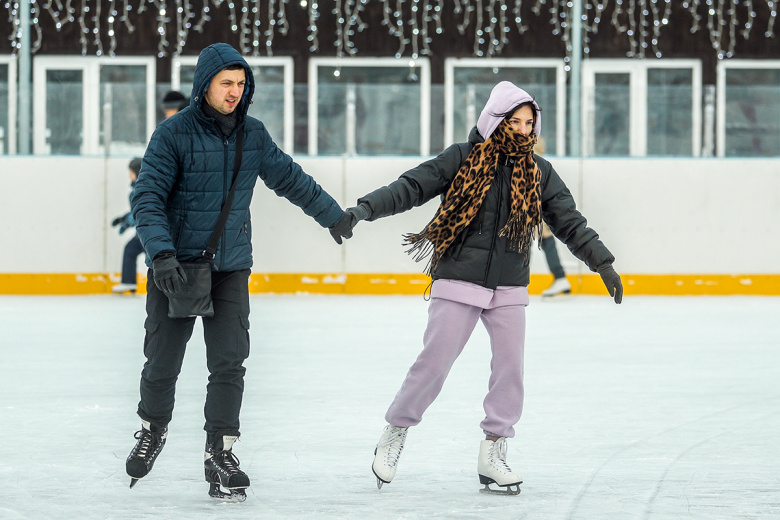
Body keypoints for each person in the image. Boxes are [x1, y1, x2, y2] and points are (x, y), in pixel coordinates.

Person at [339, 81, 623, 494]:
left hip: (509, 285)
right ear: (495, 118)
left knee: (510, 372)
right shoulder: (462, 158)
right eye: (515, 121)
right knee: (434, 365)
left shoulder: (540, 173)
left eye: (530, 123)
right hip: (459, 278)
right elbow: (412, 187)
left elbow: (569, 222)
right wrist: (365, 208)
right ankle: (396, 430)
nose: (524, 131)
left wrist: (603, 263)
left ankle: (493, 451)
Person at [125, 42, 353, 502]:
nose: (235, 91)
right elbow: (146, 197)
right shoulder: (173, 135)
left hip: (231, 267)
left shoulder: (254, 135)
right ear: (204, 85)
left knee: (229, 362)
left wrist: (332, 215)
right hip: (178, 267)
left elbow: (290, 178)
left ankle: (220, 451)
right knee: (163, 361)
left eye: (241, 83)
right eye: (226, 83)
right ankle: (152, 428)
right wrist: (161, 254)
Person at [111, 157, 145, 293]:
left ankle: (129, 282)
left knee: (135, 251)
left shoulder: (139, 190)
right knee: (130, 250)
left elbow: (139, 213)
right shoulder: (137, 189)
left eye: (131, 173)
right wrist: (122, 219)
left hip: (147, 232)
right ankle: (129, 282)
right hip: (144, 232)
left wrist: (125, 223)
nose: (129, 176)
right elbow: (134, 212)